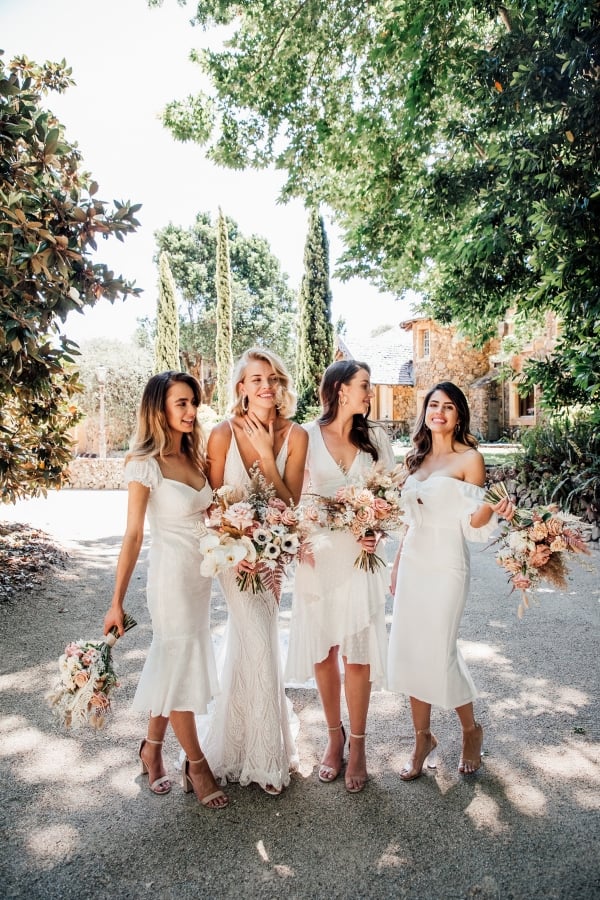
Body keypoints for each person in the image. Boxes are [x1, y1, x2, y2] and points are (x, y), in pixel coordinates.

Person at [103, 371, 228, 810]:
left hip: (200, 581)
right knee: (179, 663)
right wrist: (116, 601)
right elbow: (133, 534)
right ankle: (196, 764)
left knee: (173, 663)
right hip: (170, 580)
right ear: (159, 408)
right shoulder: (145, 464)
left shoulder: (196, 458)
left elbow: (216, 517)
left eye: (193, 402)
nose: (192, 411)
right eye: (181, 403)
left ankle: (151, 748)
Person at [387, 381, 515, 780]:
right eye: (433, 405)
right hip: (412, 564)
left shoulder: (470, 459)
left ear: (459, 415)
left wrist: (493, 508)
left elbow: (472, 523)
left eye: (448, 407)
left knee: (439, 652)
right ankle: (422, 738)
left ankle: (470, 731)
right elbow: (409, 521)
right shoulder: (414, 459)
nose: (438, 412)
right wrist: (396, 565)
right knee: (410, 650)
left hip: (446, 566)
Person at [201, 347, 308, 796]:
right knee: (259, 637)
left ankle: (240, 744)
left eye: (272, 378)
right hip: (233, 557)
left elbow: (291, 503)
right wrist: (232, 546)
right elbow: (208, 505)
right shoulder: (221, 434)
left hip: (273, 555)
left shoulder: (296, 436)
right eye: (255, 379)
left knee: (251, 641)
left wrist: (266, 452)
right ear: (241, 388)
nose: (266, 386)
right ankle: (267, 758)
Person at [285, 360, 396, 793]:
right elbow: (293, 495)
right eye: (364, 385)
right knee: (322, 648)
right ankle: (335, 737)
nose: (369, 393)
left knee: (358, 650)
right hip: (318, 555)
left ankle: (362, 746)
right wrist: (299, 538)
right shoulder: (306, 437)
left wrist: (376, 531)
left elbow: (392, 496)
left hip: (360, 556)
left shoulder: (377, 439)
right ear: (340, 390)